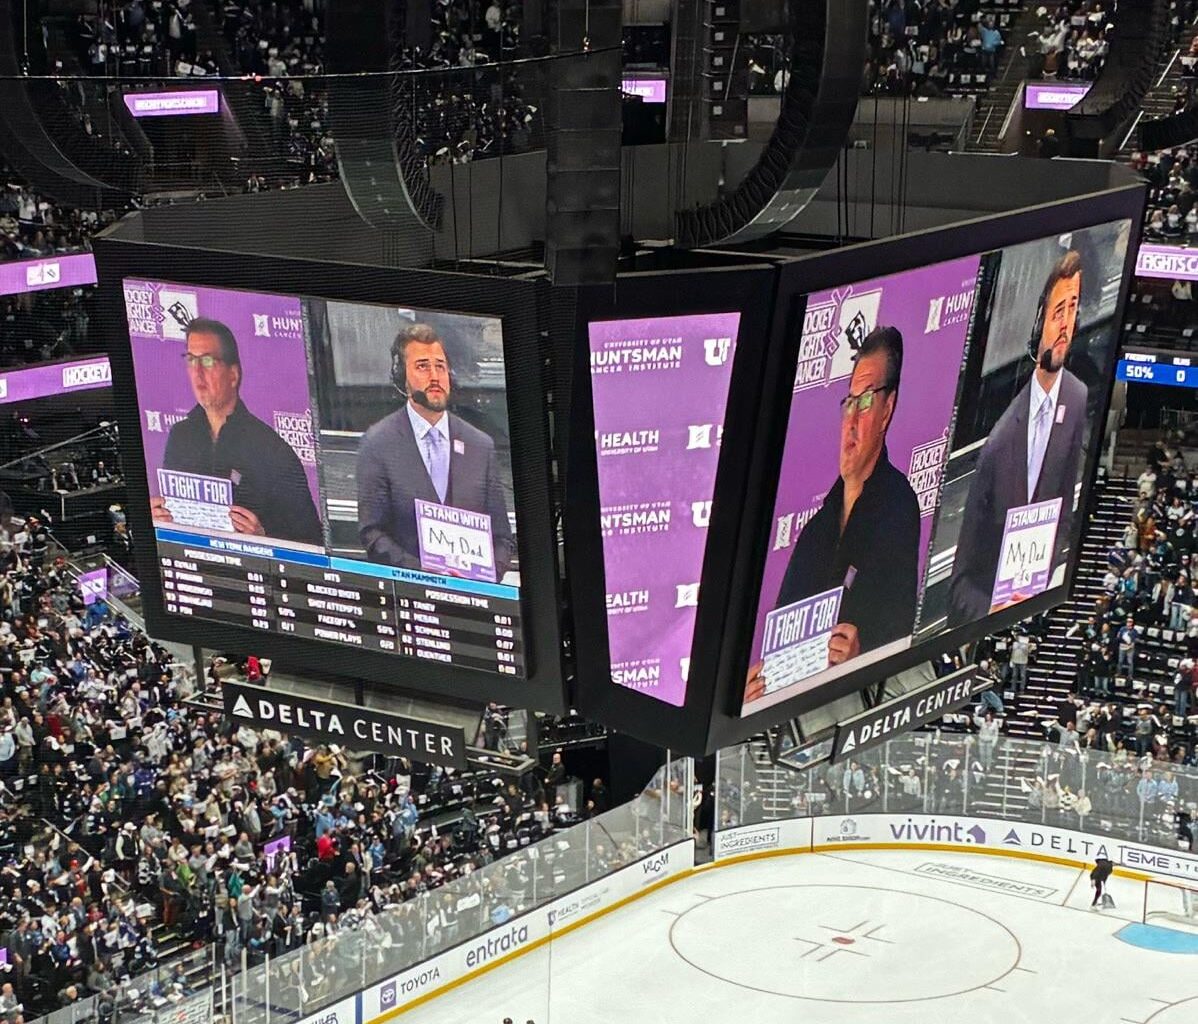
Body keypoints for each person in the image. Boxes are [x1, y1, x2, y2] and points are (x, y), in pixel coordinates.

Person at [746, 326, 920, 702]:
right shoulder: (815, 530)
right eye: (849, 403)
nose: (852, 421)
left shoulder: (898, 507)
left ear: (888, 408)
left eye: (866, 401)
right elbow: (779, 646)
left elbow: (899, 633)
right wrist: (755, 689)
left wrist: (862, 653)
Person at [947, 250, 1089, 626]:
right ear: (1039, 320)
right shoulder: (998, 443)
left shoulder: (1076, 398)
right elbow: (960, 586)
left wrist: (1050, 578)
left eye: (1072, 309)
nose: (1065, 325)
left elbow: (1063, 516)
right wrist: (993, 611)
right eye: (1058, 312)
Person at [356, 324, 513, 575]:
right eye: (422, 366)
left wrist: (484, 578)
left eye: (440, 366)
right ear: (401, 378)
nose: (434, 376)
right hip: (413, 597)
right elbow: (372, 534)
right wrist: (425, 575)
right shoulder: (377, 444)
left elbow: (503, 539)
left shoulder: (480, 445)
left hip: (476, 599)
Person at [150, 317, 323, 545]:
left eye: (208, 361)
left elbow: (313, 541)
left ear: (233, 375)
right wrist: (157, 520)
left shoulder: (271, 450)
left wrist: (264, 538)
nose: (197, 372)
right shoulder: (180, 436)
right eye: (191, 360)